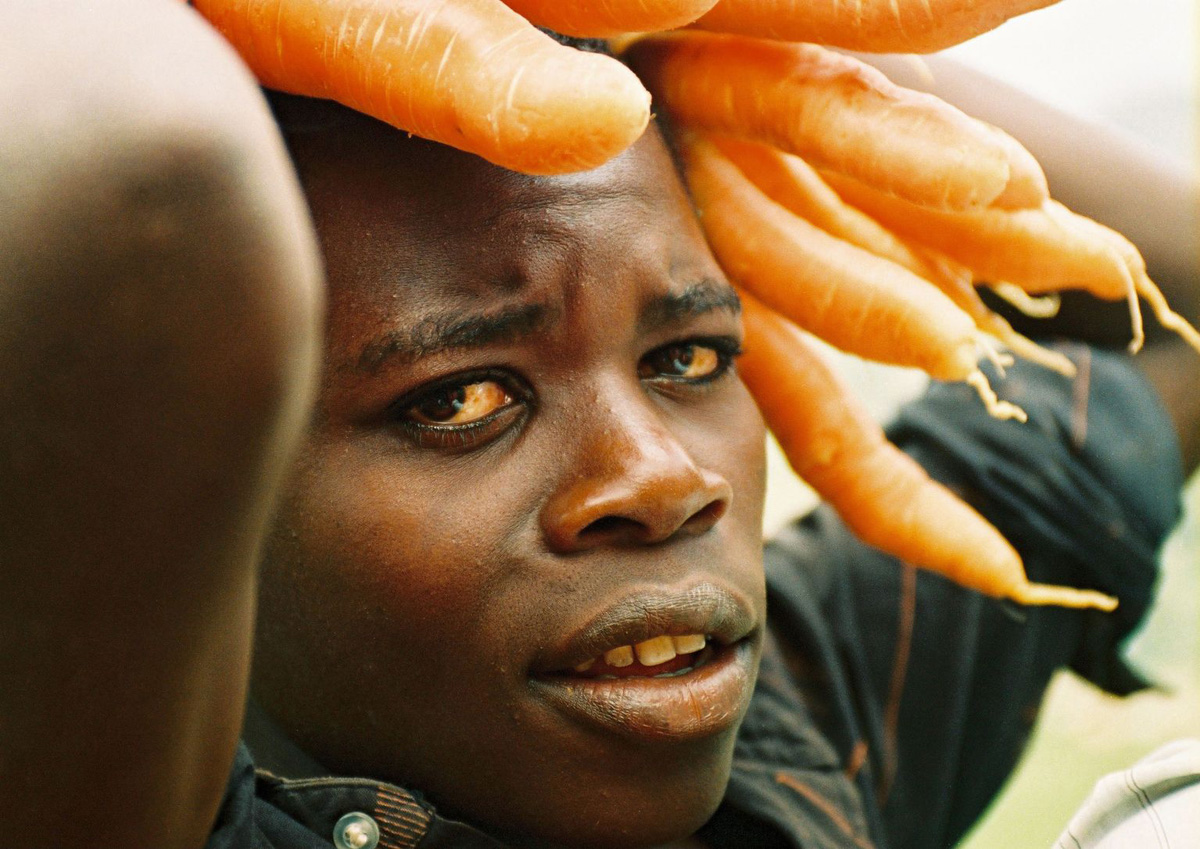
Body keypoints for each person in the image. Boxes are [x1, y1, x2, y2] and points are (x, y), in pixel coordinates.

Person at [1, 3, 1195, 849]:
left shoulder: (808, 747)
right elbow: (143, 172)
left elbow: (1176, 309)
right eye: (460, 400)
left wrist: (692, 31)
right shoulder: (106, 809)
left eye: (687, 357)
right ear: (203, 514)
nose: (663, 476)